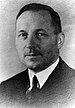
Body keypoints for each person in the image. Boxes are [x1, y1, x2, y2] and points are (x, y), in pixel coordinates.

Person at [0, 3, 75, 108]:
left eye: (40, 34)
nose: (30, 44)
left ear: (59, 40)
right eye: (23, 35)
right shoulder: (5, 90)